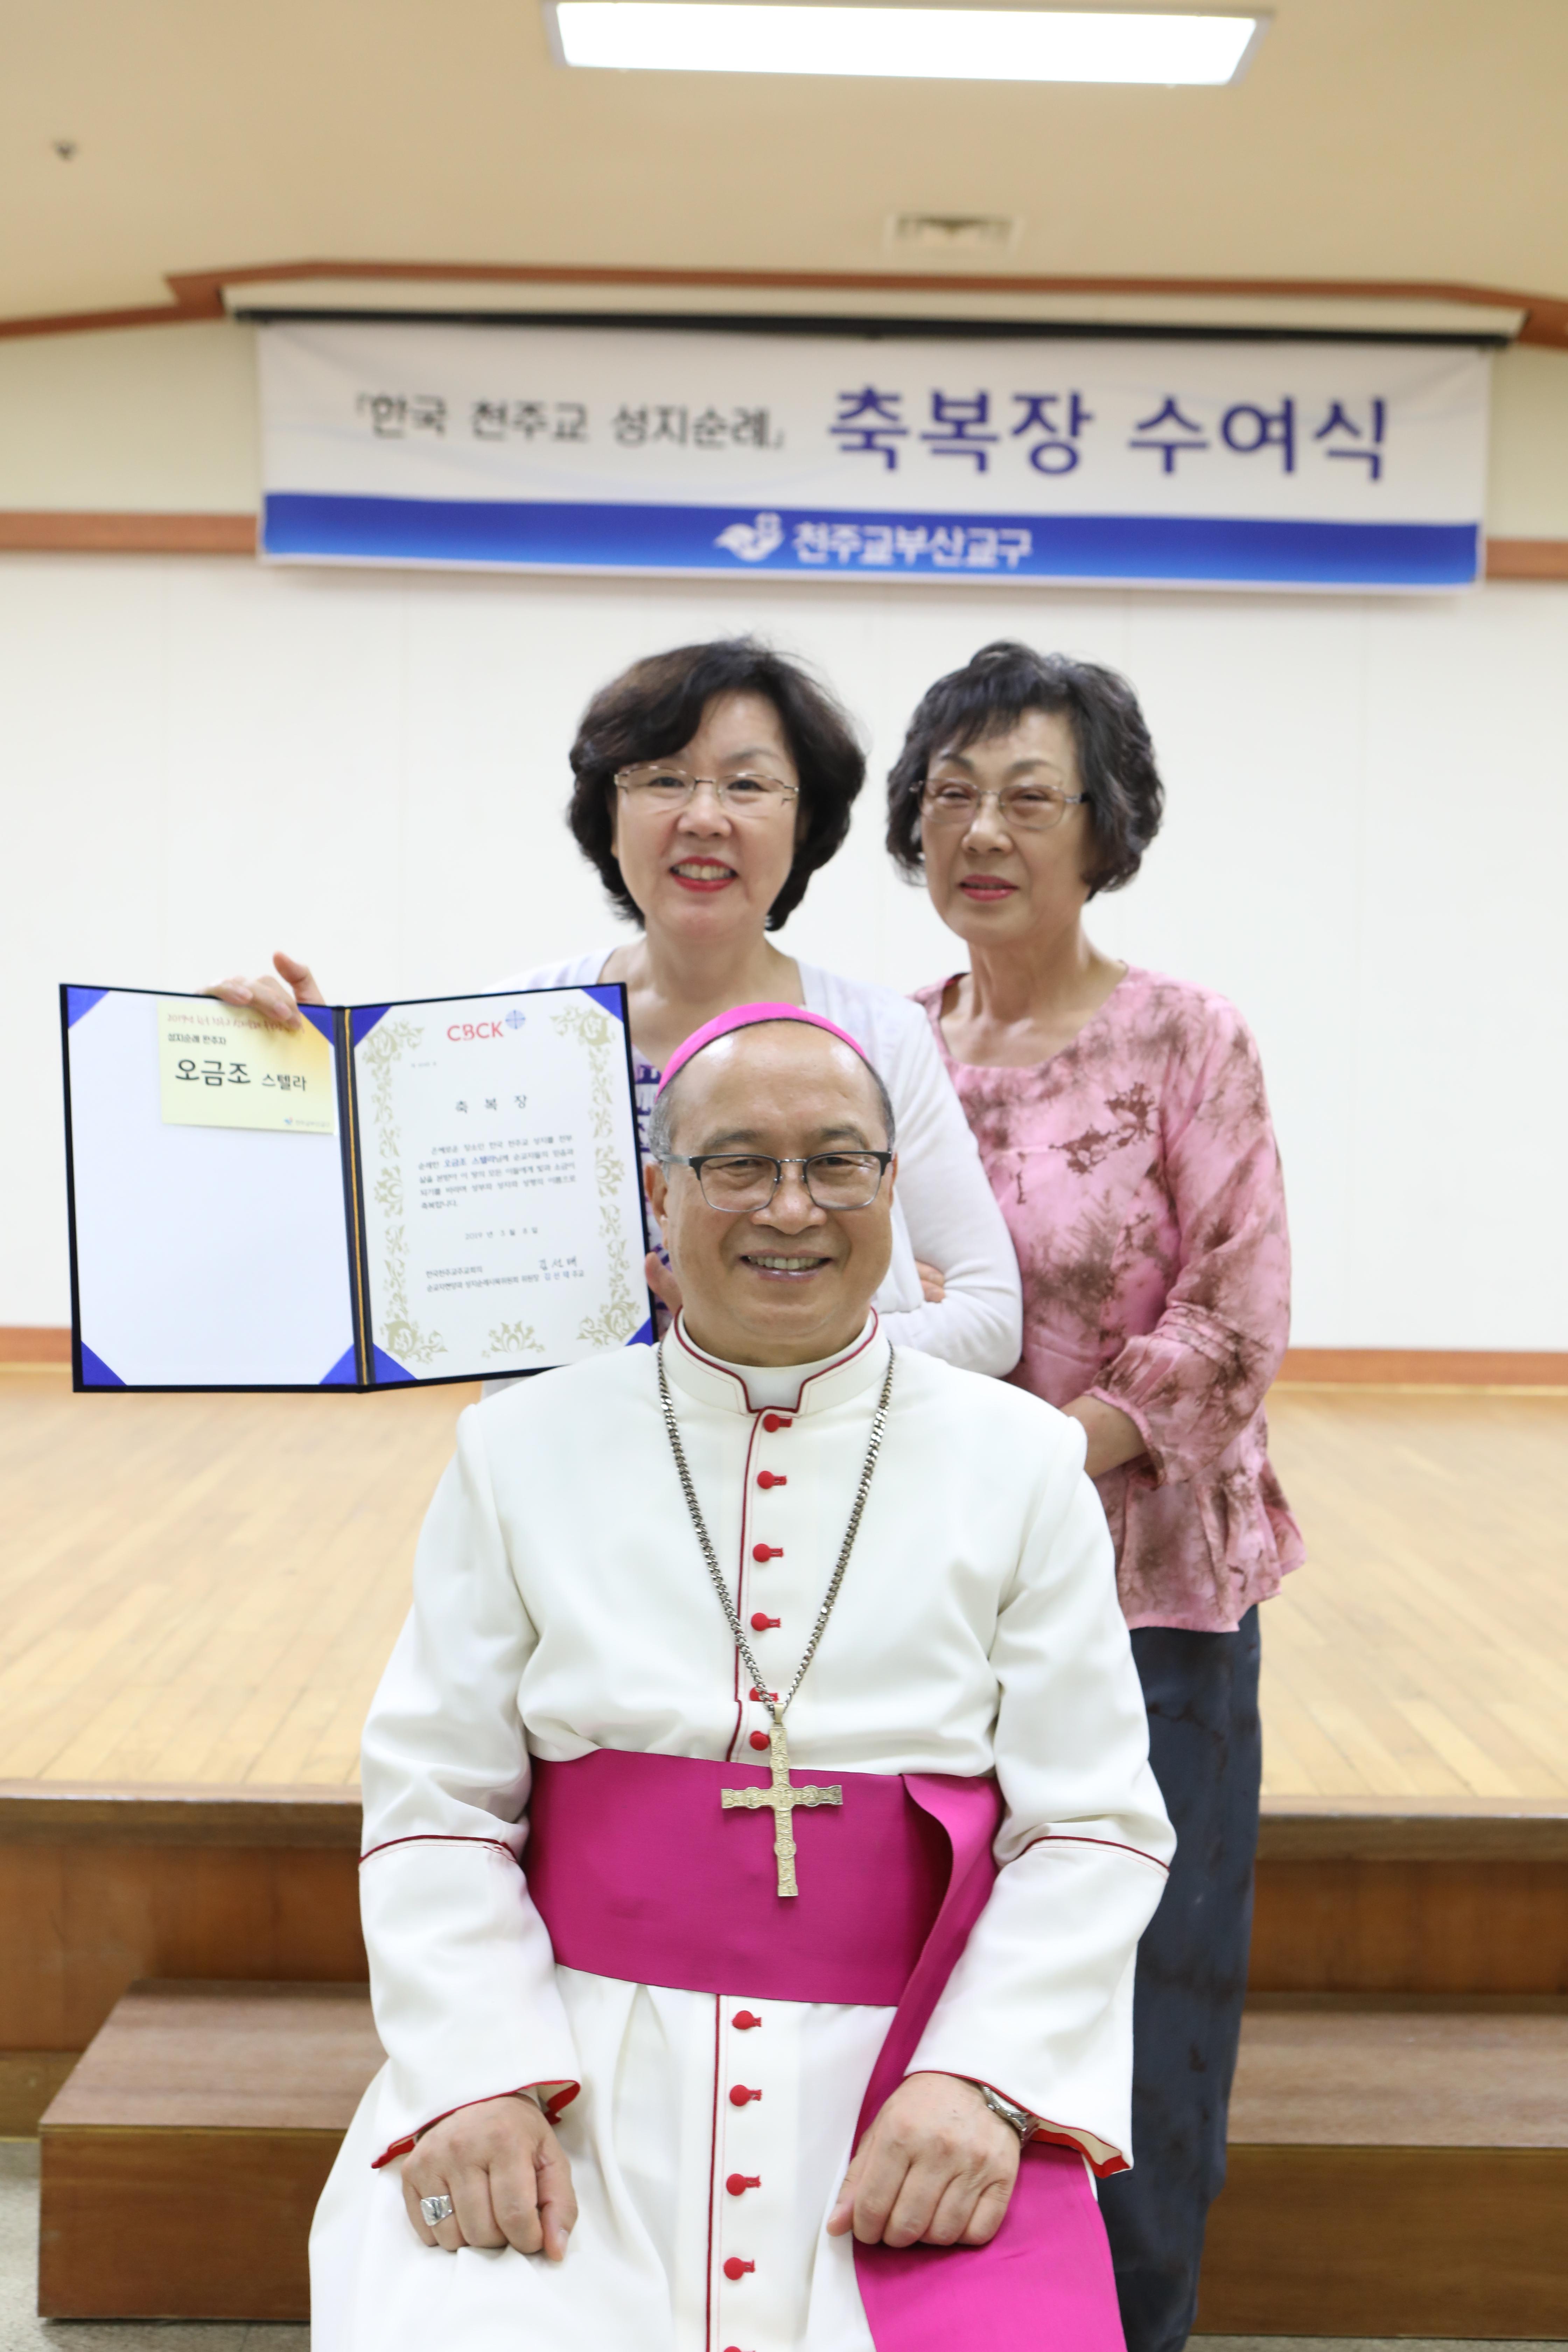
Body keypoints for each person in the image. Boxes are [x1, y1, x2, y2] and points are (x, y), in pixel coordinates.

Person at [309, 1005, 1174, 2352]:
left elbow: (1091, 1823)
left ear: (893, 1191)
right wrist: (476, 2075)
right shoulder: (519, 1450)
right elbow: (438, 1800)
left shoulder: (1021, 1466)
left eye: (838, 1163)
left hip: (905, 2072)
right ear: (658, 1194)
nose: (792, 1206)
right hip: (573, 2072)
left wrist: (981, 2080)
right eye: (735, 1164)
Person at [889, 642, 1305, 2352]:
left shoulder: (1182, 1040)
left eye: (1028, 797)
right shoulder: (882, 1045)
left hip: (1147, 1613)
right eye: (950, 795)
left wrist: (1042, 1462)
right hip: (916, 1615)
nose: (982, 830)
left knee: (1144, 2022)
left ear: (1103, 827)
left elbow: (1235, 1322)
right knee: (921, 2016)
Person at [209, 637, 1021, 1375]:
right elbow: (393, 1275)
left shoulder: (879, 1034)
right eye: (663, 779)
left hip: (823, 1478)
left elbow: (989, 1321)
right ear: (609, 810)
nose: (703, 817)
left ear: (803, 820)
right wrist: (313, 1092)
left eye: (747, 784)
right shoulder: (506, 1025)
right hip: (565, 1471)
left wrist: (791, 1340)